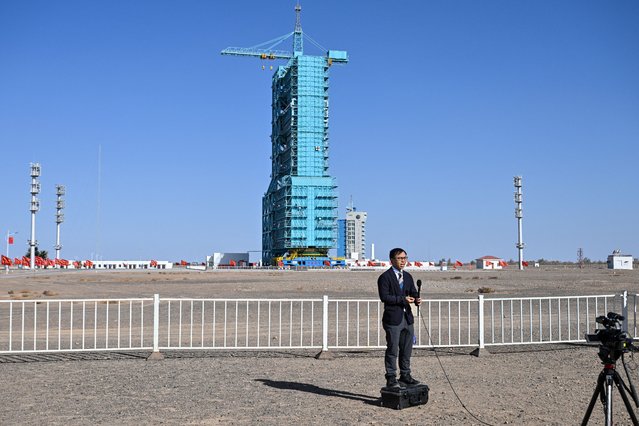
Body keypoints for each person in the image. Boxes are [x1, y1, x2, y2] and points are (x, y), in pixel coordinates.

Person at [377, 247, 421, 389]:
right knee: (392, 349)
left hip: (407, 318)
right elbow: (385, 297)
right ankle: (391, 377)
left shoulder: (408, 276)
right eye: (400, 258)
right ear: (392, 260)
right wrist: (403, 299)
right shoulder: (385, 277)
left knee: (406, 349)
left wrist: (416, 299)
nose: (403, 261)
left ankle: (405, 375)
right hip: (393, 319)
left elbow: (413, 292)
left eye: (405, 258)